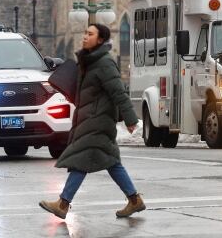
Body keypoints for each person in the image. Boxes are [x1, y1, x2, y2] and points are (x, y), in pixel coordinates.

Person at [39, 23, 145, 219]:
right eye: (85, 33)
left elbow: (118, 93)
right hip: (88, 119)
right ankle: (134, 200)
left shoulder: (105, 63)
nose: (85, 37)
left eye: (90, 34)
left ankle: (63, 203)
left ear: (101, 40)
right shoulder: (89, 62)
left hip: (98, 121)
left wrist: (130, 119)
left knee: (81, 160)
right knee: (112, 163)